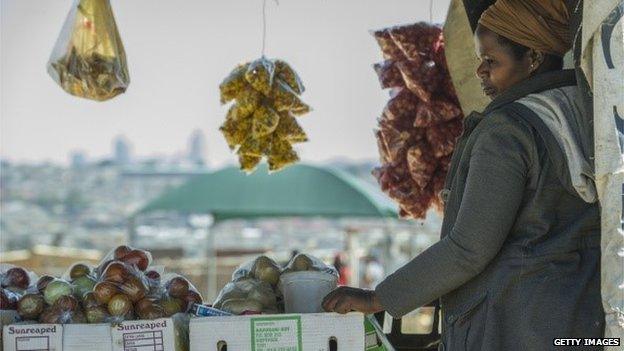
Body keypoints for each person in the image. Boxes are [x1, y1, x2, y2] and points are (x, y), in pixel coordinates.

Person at [322, 1, 605, 350]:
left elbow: (469, 248)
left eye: (491, 61)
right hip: (582, 323)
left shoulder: (508, 130)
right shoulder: (586, 110)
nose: (480, 73)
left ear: (532, 58)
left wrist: (376, 298)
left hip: (516, 326)